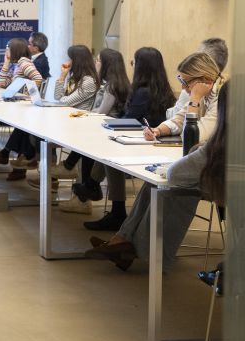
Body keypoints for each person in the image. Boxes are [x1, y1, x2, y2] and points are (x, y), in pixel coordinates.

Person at [85, 81, 228, 271]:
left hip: (222, 181)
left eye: (186, 81)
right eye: (181, 80)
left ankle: (144, 252)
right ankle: (123, 240)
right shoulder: (202, 98)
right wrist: (159, 129)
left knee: (171, 184)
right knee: (155, 182)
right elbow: (174, 117)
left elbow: (195, 135)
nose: (184, 87)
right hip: (219, 174)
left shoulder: (218, 115)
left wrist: (194, 100)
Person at [79, 47, 177, 230]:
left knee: (109, 155)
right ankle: (93, 186)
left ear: (141, 66)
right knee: (107, 150)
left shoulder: (143, 92)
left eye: (134, 62)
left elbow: (129, 118)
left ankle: (114, 208)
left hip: (143, 144)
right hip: (152, 142)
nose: (132, 65)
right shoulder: (164, 90)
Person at [53, 48, 131, 212]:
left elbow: (101, 112)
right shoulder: (102, 82)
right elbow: (59, 98)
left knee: (86, 145)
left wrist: (84, 114)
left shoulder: (105, 85)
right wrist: (62, 77)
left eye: (98, 60)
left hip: (105, 130)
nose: (95, 62)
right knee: (85, 143)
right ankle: (80, 181)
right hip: (101, 127)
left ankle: (77, 179)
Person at [0, 38, 44, 177]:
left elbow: (38, 78)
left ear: (15, 50)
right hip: (19, 107)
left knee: (22, 126)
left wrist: (24, 93)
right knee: (20, 127)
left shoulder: (24, 63)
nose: (6, 51)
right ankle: (14, 156)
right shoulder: (16, 65)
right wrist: (6, 63)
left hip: (25, 107)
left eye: (8, 48)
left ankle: (11, 155)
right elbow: (0, 84)